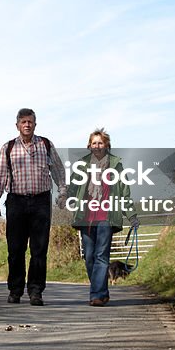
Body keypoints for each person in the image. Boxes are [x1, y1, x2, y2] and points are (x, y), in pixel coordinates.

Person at [0, 108, 65, 306]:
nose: (27, 125)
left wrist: (63, 191)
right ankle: (15, 290)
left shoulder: (45, 145)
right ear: (17, 125)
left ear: (35, 124)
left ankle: (35, 291)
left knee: (39, 250)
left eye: (30, 122)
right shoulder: (8, 148)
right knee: (15, 249)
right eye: (23, 122)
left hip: (41, 202)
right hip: (16, 202)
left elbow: (58, 170)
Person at [64, 128, 137, 306]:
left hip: (106, 216)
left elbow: (124, 193)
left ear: (106, 145)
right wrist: (64, 197)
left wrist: (132, 215)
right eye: (94, 143)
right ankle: (102, 291)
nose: (97, 146)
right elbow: (73, 188)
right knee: (89, 257)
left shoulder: (116, 165)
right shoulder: (82, 165)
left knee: (101, 256)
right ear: (89, 146)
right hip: (86, 216)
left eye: (100, 143)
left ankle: (96, 295)